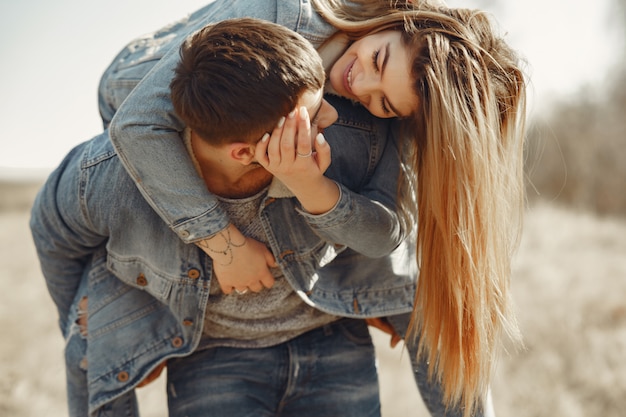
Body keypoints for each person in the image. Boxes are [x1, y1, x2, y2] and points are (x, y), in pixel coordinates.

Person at [102, 0, 527, 415]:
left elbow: (389, 227)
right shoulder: (284, 12)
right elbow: (136, 124)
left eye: (385, 103)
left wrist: (310, 184)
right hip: (131, 91)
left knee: (424, 270)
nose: (359, 86)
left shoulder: (385, 106)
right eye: (378, 60)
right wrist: (223, 244)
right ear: (398, 17)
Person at [32, 18, 418, 417]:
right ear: (244, 152)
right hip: (212, 358)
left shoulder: (339, 138)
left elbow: (386, 233)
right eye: (313, 114)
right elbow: (50, 232)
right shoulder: (110, 176)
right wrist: (83, 322)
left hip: (331, 336)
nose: (332, 119)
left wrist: (308, 183)